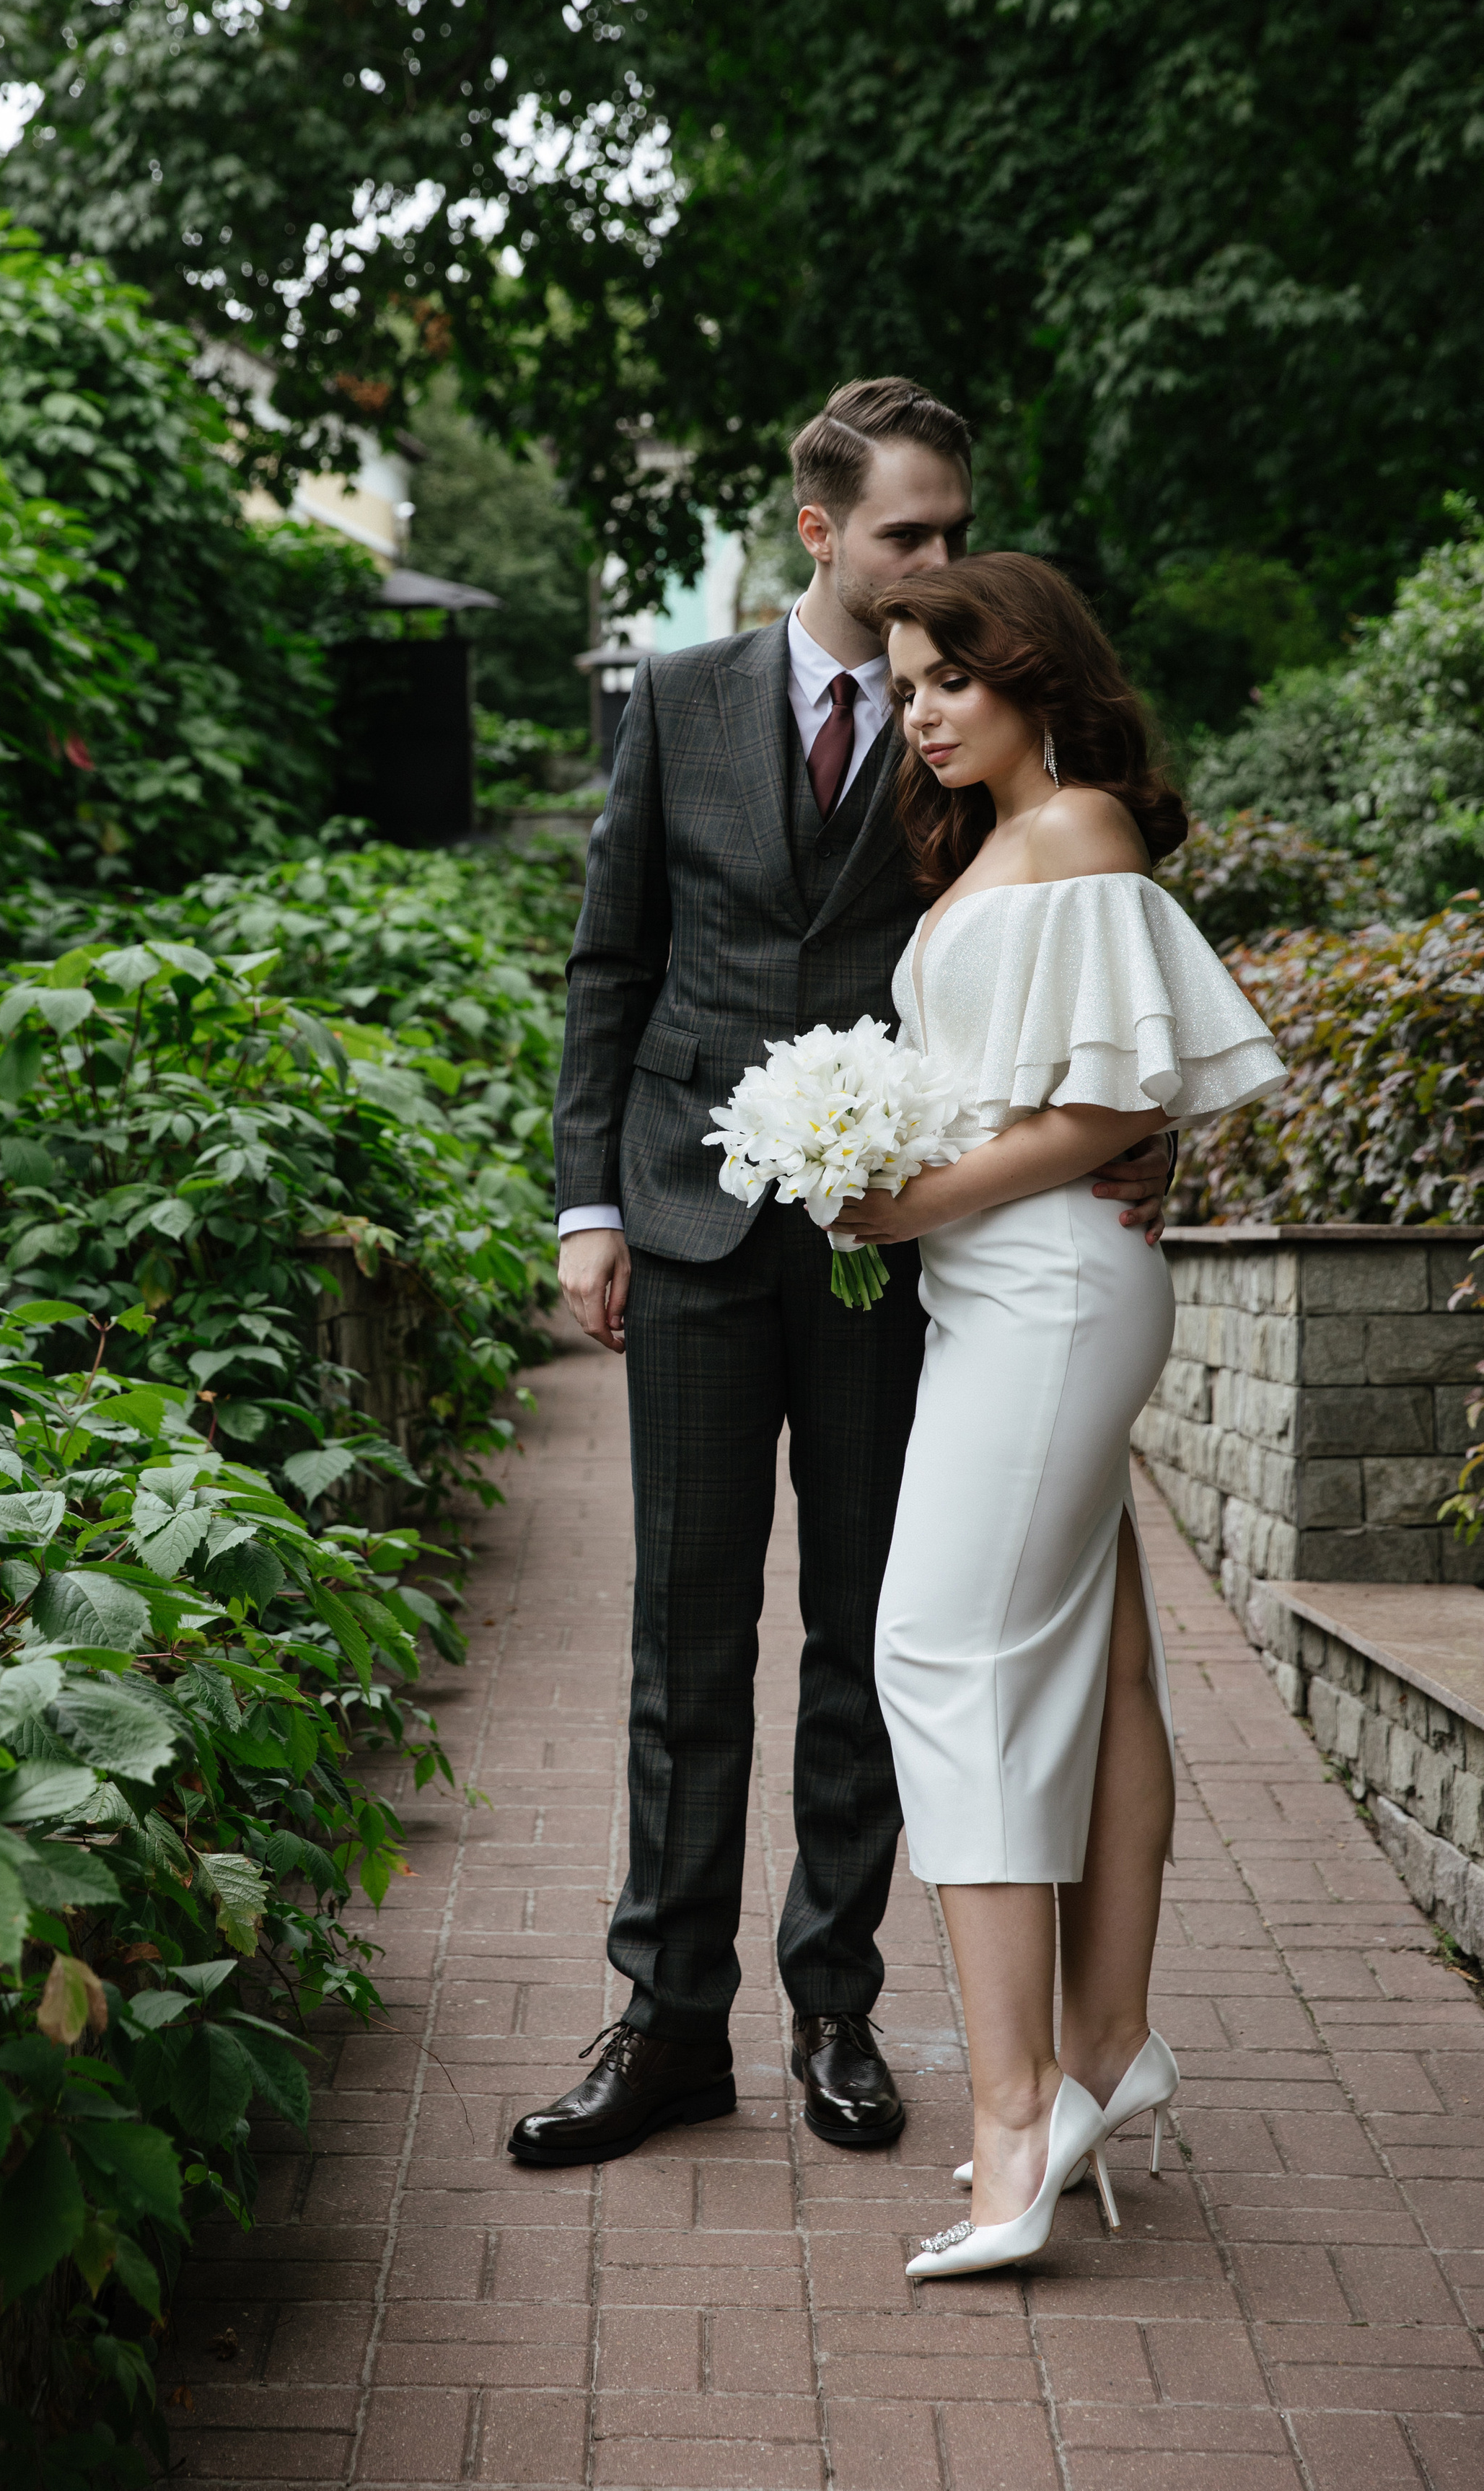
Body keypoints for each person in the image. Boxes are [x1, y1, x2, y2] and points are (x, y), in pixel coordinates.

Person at [509, 382, 1172, 2170]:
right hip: (695, 1213)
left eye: (957, 531)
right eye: (908, 537)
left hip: (909, 1240)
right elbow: (608, 962)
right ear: (818, 534)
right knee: (681, 1625)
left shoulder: (968, 722)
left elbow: (1073, 937)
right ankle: (661, 2027)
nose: (941, 567)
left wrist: (1130, 1125)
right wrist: (586, 1205)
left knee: (869, 1630)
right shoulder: (683, 698)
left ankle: (833, 2006)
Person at [835, 553, 1282, 2277]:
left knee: (938, 1658)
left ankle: (1013, 2119)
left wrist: (904, 1197)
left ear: (1030, 672)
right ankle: (1105, 2049)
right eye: (900, 689)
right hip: (999, 1294)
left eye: (948, 677)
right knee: (1097, 1669)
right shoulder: (988, 847)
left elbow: (1106, 1108)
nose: (923, 712)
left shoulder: (1078, 826)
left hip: (1047, 1294)